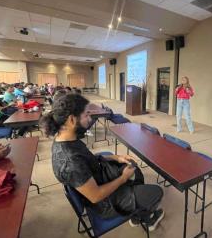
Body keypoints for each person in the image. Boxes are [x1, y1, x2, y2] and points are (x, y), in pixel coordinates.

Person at [40, 94, 164, 230]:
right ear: (71, 119)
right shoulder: (70, 162)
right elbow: (96, 196)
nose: (90, 119)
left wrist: (115, 158)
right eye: (86, 115)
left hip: (98, 178)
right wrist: (123, 178)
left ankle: (137, 210)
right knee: (156, 192)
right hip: (104, 204)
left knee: (135, 171)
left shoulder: (66, 139)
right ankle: (144, 217)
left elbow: (87, 159)